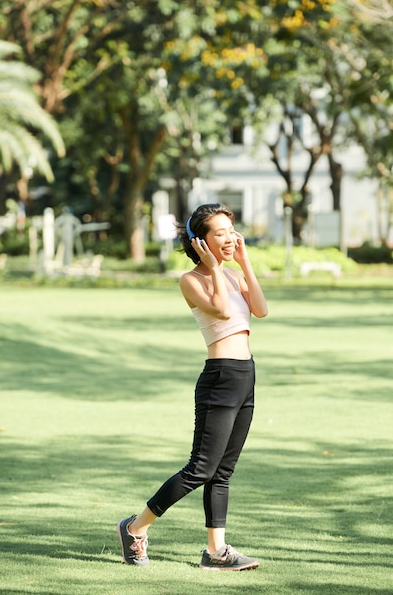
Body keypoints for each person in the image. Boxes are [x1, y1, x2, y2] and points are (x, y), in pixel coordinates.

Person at [117, 202, 268, 571]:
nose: (231, 237)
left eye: (232, 230)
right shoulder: (192, 279)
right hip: (220, 377)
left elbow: (260, 310)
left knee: (223, 471)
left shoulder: (232, 274)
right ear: (201, 241)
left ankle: (215, 552)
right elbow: (222, 310)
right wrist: (216, 268)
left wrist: (243, 261)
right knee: (200, 468)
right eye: (221, 232)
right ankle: (135, 528)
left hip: (245, 374)